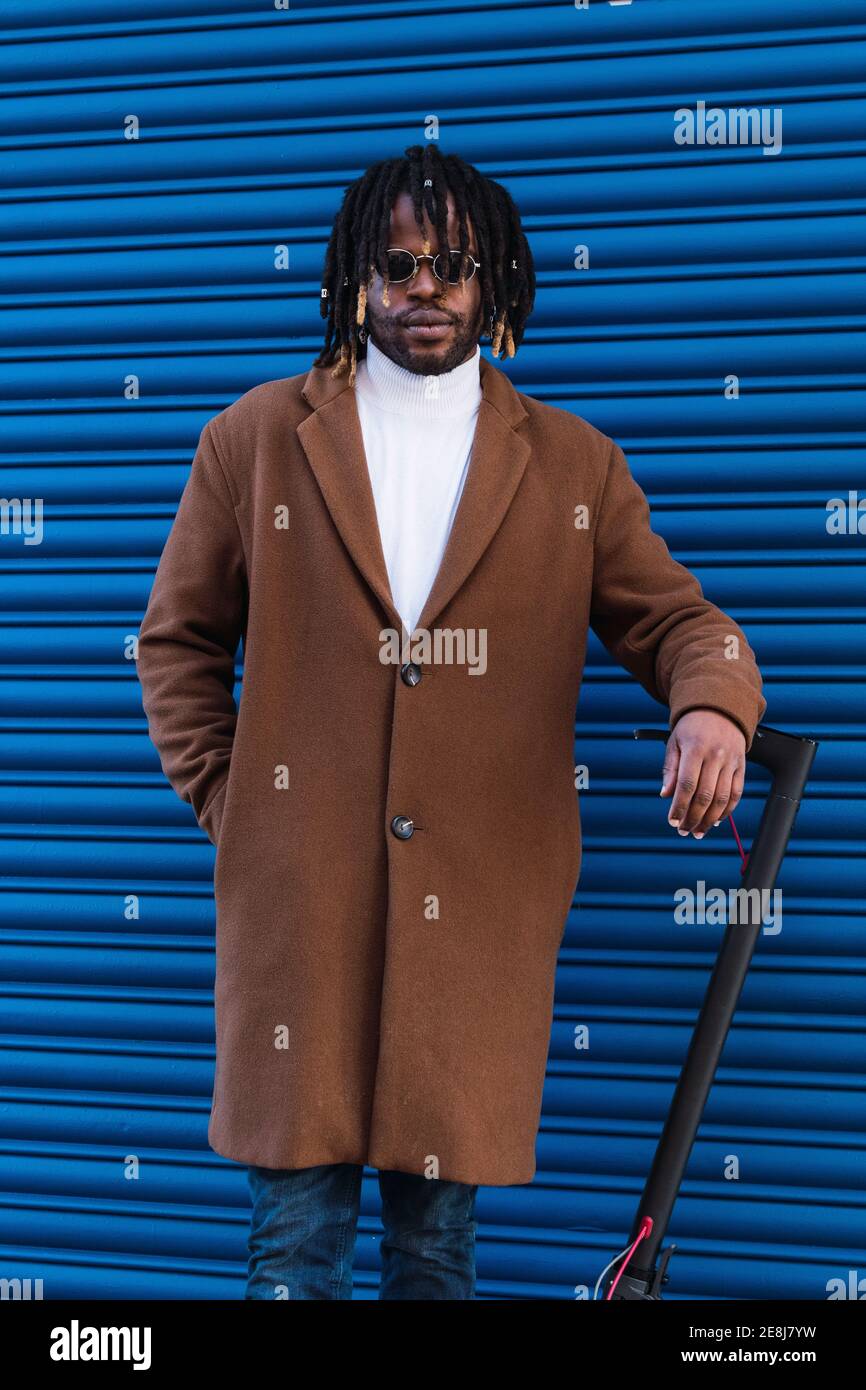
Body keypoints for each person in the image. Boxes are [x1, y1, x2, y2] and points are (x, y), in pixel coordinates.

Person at [137, 144, 766, 1300]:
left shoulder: (572, 464)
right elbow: (175, 642)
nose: (422, 287)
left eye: (450, 265)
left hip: (469, 921)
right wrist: (234, 810)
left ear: (493, 281)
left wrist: (713, 708)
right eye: (396, 264)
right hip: (302, 920)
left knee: (436, 1258)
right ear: (355, 280)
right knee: (294, 1255)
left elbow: (682, 622)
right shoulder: (257, 438)